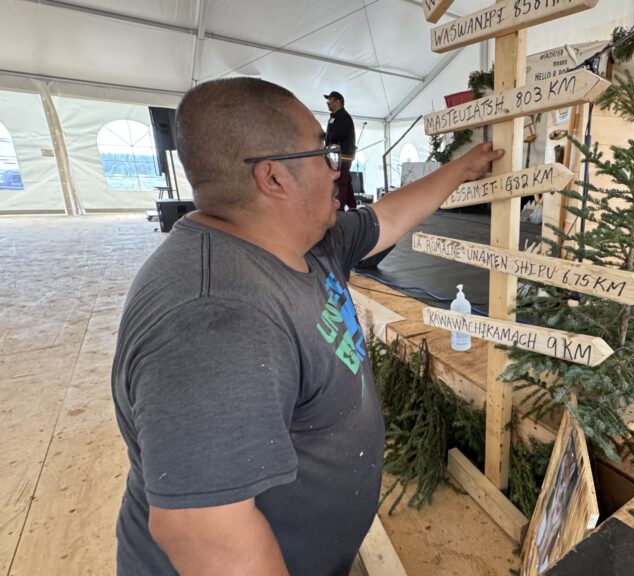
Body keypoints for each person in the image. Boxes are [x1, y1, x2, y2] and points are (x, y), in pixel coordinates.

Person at [110, 77, 502, 576]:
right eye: (323, 154)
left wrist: (463, 167)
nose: (336, 170)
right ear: (273, 178)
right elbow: (207, 538)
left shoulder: (308, 240)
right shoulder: (216, 322)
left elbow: (389, 216)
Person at [324, 90, 358, 210]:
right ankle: (352, 205)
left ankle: (339, 209)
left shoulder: (343, 117)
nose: (328, 103)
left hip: (342, 156)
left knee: (340, 182)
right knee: (345, 180)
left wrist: (327, 138)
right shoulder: (334, 117)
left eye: (330, 100)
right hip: (337, 155)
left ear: (338, 102)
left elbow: (338, 135)